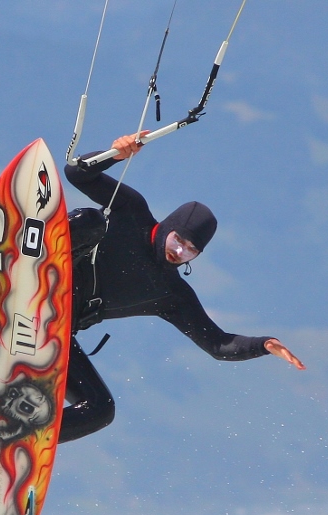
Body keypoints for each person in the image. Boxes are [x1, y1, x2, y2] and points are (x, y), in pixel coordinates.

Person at [60, 132, 305, 443]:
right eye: (178, 240)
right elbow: (76, 173)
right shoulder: (132, 211)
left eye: (190, 250)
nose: (178, 252)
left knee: (100, 410)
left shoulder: (172, 295)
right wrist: (114, 155)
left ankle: (19, 435)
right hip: (52, 272)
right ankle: (25, 259)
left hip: (58, 329)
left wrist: (264, 344)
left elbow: (218, 344)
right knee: (90, 219)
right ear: (168, 227)